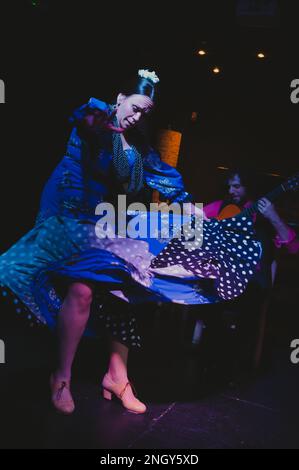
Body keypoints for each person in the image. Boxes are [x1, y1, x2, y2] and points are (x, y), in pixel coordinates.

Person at [0, 69, 194, 415]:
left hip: (102, 221)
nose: (137, 117)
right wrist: (97, 119)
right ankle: (61, 378)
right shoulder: (98, 120)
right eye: (135, 107)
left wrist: (191, 209)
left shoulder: (139, 145)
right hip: (68, 215)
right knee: (79, 289)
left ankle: (117, 376)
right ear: (120, 98)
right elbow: (83, 119)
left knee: (122, 284)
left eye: (145, 113)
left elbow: (165, 179)